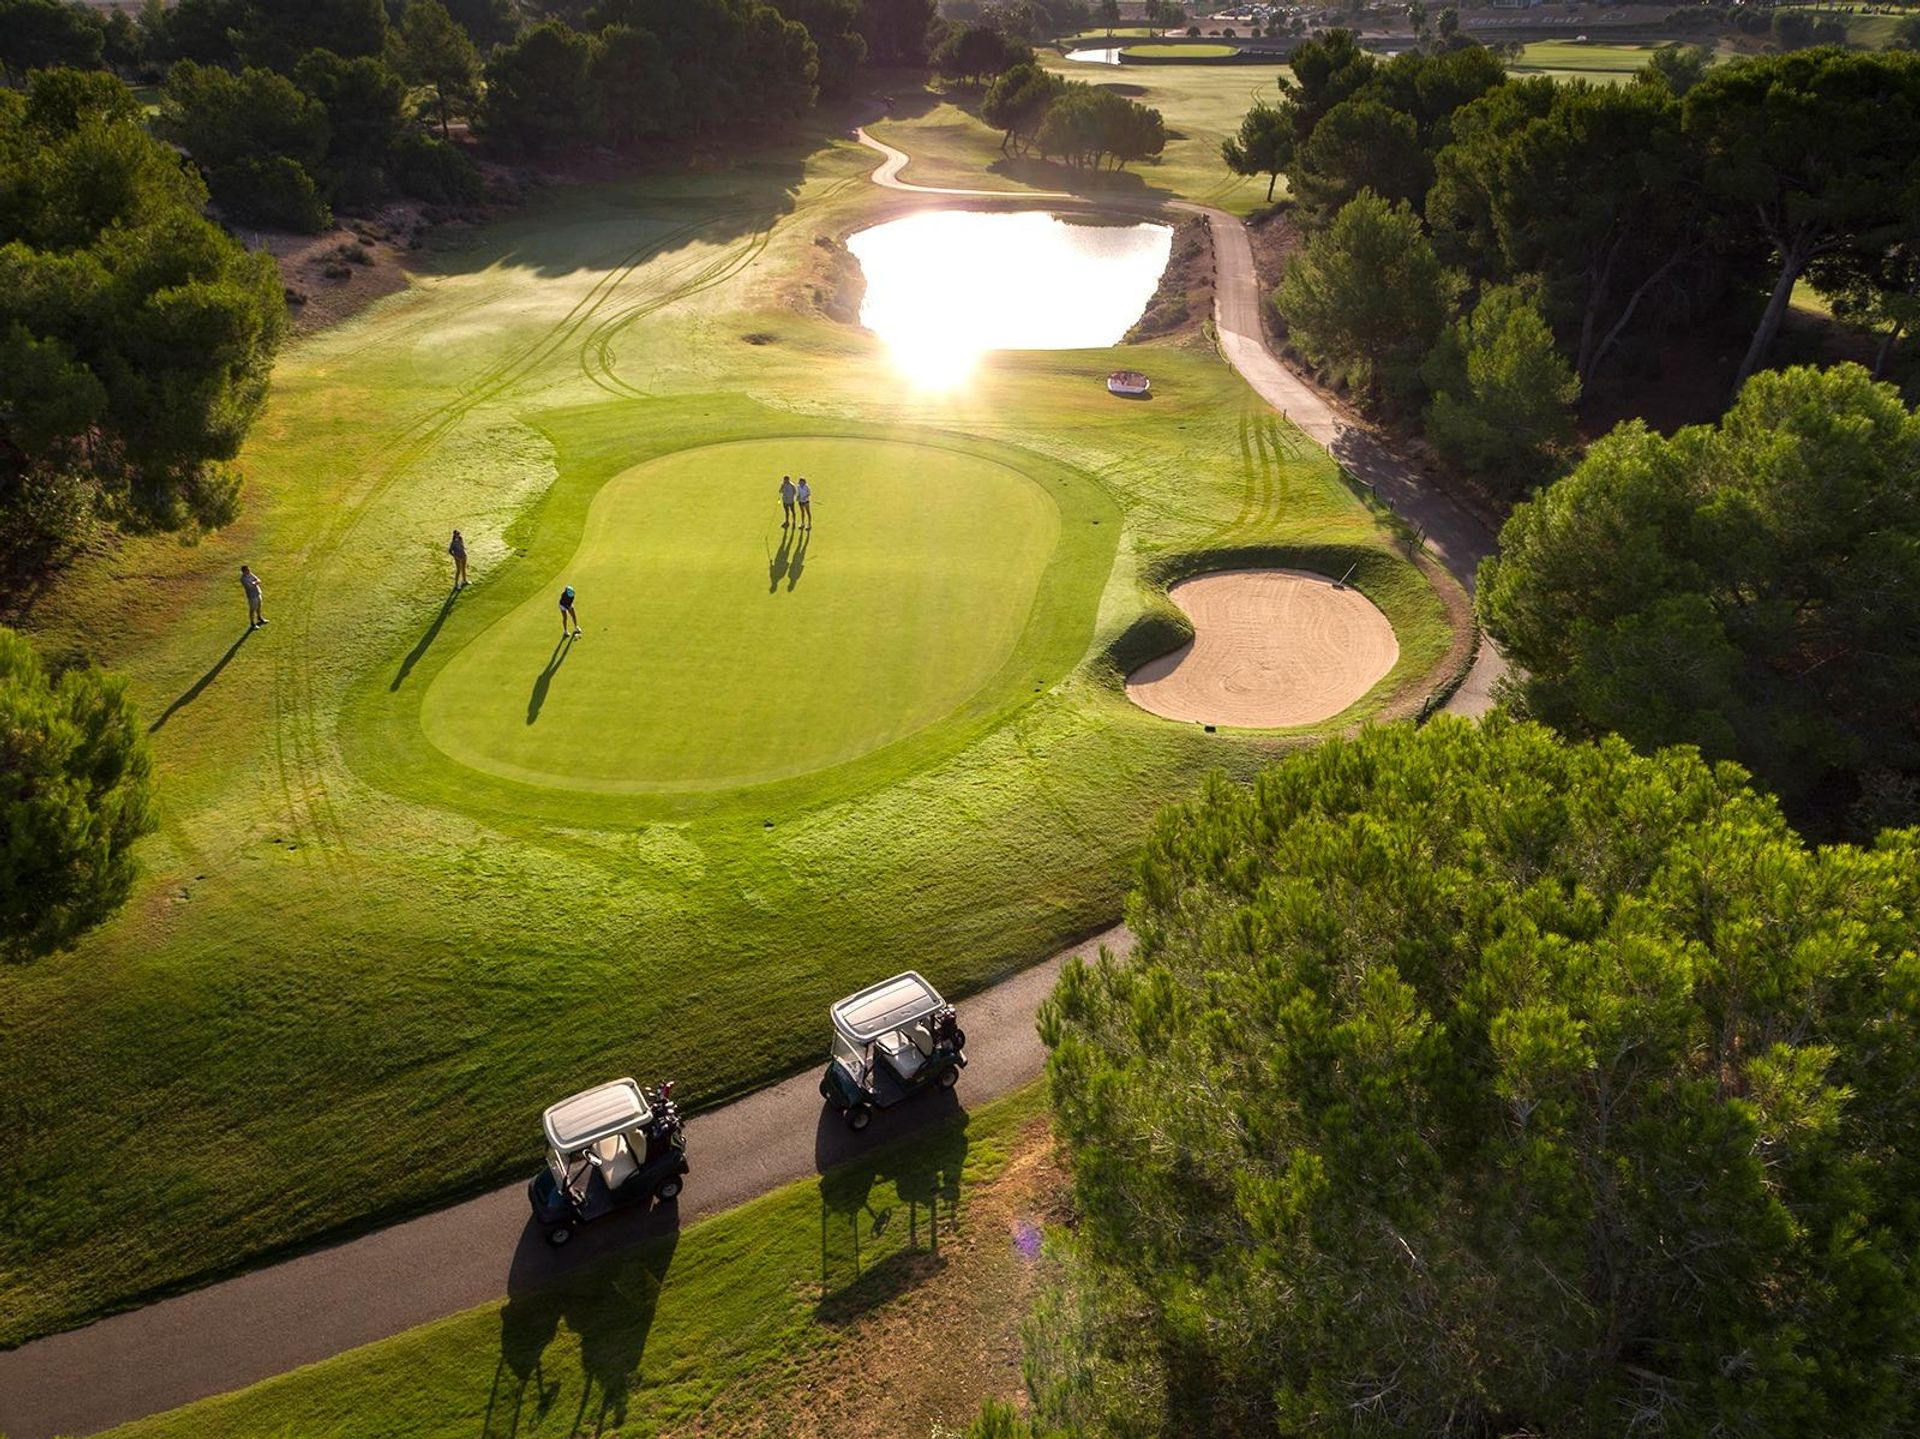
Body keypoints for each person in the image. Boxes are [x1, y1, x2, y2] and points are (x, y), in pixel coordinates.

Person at [240, 564, 266, 629]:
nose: (249, 570)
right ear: (244, 571)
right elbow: (250, 586)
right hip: (252, 596)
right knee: (252, 609)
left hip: (258, 593)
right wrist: (255, 582)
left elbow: (258, 580)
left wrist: (255, 582)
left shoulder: (250, 574)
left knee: (259, 606)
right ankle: (252, 624)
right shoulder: (243, 579)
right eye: (248, 570)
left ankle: (259, 618)